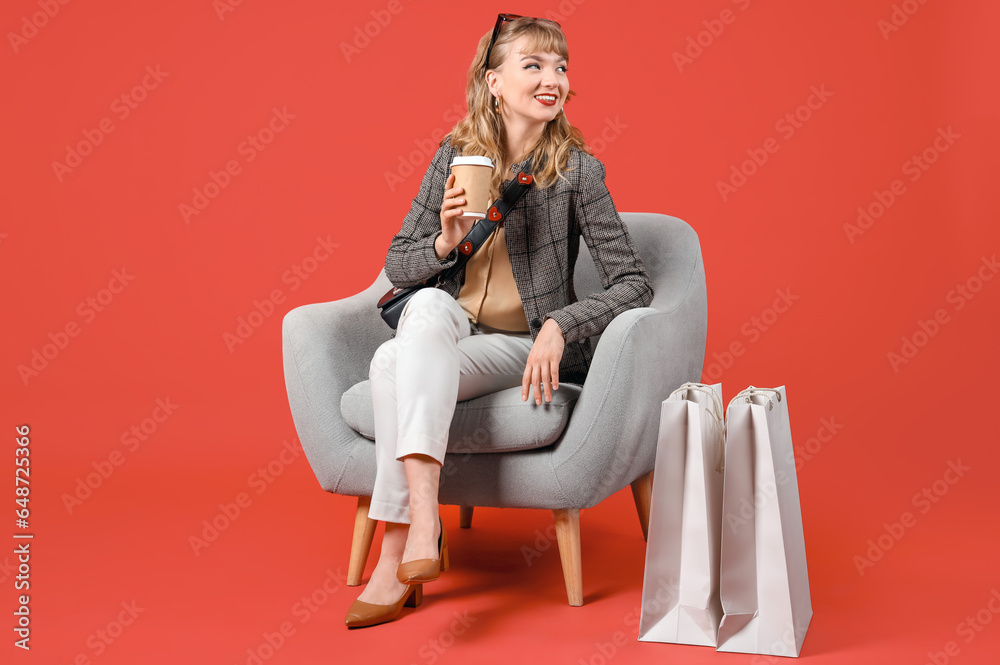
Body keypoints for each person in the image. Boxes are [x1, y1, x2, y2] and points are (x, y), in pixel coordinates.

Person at [344, 14, 654, 628]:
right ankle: (425, 522)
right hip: (453, 332)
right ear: (493, 81)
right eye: (534, 65)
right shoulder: (454, 157)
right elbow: (398, 264)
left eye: (561, 67)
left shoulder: (577, 172)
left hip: (519, 345)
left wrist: (561, 324)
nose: (553, 79)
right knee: (423, 313)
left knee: (389, 362)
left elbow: (633, 283)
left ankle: (395, 550)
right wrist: (446, 241)